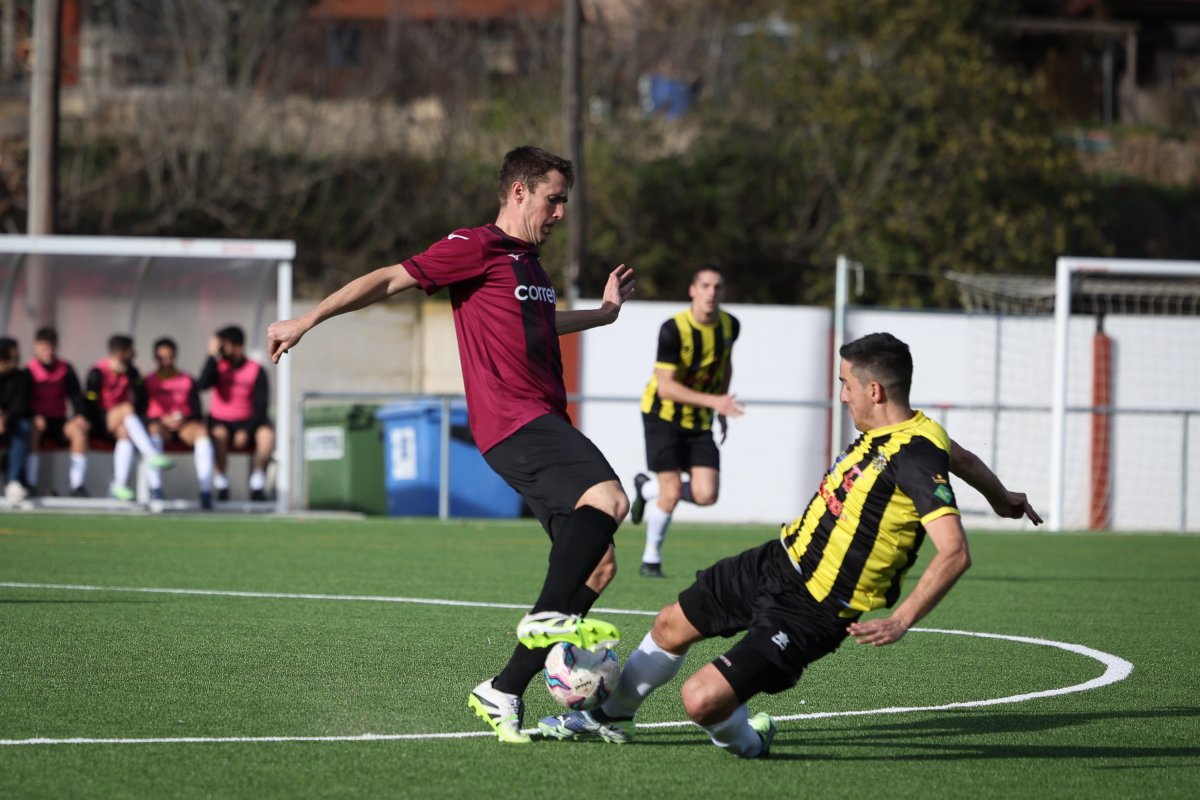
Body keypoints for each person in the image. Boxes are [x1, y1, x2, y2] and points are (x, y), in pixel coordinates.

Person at [267, 145, 636, 745]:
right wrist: (306, 320)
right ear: (519, 192)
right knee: (610, 500)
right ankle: (548, 621)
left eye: (565, 201)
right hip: (515, 421)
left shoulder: (530, 265)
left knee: (598, 565)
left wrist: (601, 315)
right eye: (554, 199)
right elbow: (389, 278)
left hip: (540, 420)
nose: (561, 213)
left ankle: (504, 690)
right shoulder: (476, 246)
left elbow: (539, 325)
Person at [539, 332, 1043, 758]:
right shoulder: (916, 433)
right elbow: (962, 457)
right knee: (671, 623)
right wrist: (1001, 497)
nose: (842, 396)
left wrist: (903, 618)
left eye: (846, 385)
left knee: (701, 700)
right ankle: (611, 716)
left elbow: (955, 550)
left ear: (874, 390)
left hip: (815, 608)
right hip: (778, 560)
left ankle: (749, 740)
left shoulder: (913, 455)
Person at [630, 264, 743, 578]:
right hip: (662, 415)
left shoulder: (730, 326)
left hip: (699, 418)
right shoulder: (673, 329)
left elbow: (725, 364)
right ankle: (651, 560)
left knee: (707, 494)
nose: (711, 292)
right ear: (692, 290)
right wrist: (715, 402)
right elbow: (665, 387)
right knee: (670, 493)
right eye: (705, 286)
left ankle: (645, 488)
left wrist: (721, 405)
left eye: (717, 287)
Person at [84, 335, 174, 501]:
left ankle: (119, 485)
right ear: (120, 353)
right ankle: (150, 454)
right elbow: (90, 401)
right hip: (100, 421)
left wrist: (131, 378)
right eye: (130, 350)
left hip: (124, 423)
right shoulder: (97, 372)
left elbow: (141, 400)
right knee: (126, 408)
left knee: (125, 434)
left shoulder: (131, 372)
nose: (134, 353)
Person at [196, 325, 274, 502]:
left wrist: (247, 430)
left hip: (248, 422)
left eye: (224, 345)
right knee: (218, 435)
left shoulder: (256, 370)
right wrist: (211, 356)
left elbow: (261, 405)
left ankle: (257, 484)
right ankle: (221, 483)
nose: (221, 349)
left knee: (266, 435)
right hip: (221, 421)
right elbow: (202, 385)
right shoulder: (217, 367)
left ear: (237, 346)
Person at [145, 337, 216, 509]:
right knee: (153, 430)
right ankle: (156, 488)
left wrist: (183, 419)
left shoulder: (187, 380)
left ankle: (205, 490)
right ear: (155, 358)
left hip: (184, 427)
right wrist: (162, 419)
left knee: (202, 433)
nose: (166, 362)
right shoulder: (147, 381)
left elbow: (197, 411)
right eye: (162, 358)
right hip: (161, 427)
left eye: (169, 357)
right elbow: (141, 411)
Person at [25, 327, 90, 497]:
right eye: (44, 347)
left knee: (79, 433)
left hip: (59, 420)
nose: (48, 351)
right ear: (36, 347)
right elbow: (23, 399)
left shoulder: (65, 368)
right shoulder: (29, 370)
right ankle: (30, 484)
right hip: (38, 421)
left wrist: (80, 415)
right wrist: (33, 415)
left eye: (51, 347)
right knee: (32, 431)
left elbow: (75, 395)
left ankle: (77, 486)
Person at [0, 337, 33, 501]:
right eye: (13, 356)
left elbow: (20, 405)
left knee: (24, 427)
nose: (17, 358)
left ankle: (13, 481)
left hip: (11, 423)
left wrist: (4, 419)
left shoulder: (22, 377)